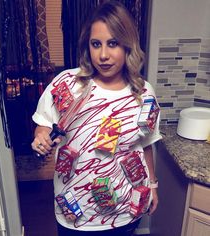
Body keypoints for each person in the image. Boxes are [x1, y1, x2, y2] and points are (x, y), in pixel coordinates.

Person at [31, 1, 162, 236]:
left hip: (124, 209)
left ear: (127, 46)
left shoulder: (144, 93)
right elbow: (43, 123)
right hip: (75, 211)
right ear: (87, 46)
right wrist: (41, 136)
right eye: (96, 44)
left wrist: (152, 185)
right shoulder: (67, 84)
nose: (103, 55)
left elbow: (146, 144)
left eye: (113, 44)